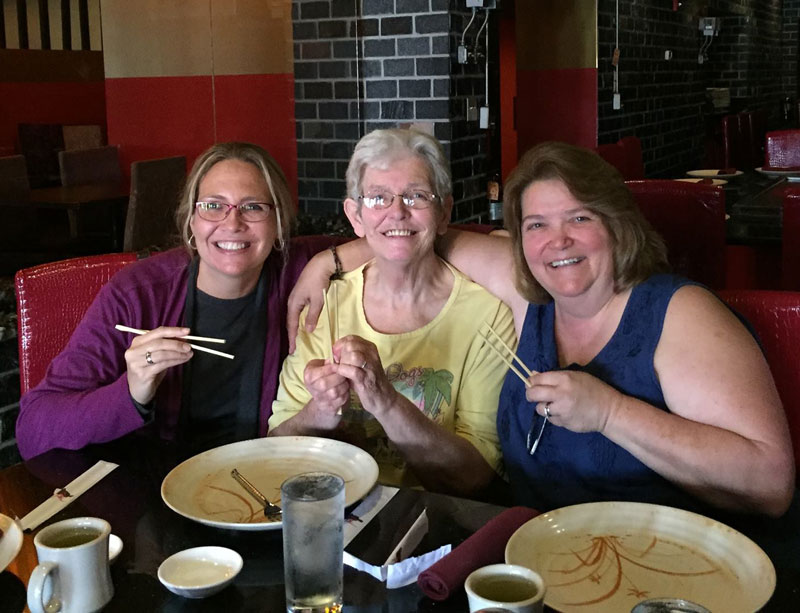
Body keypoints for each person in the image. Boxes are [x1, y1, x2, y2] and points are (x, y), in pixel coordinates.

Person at [290, 141, 795, 518]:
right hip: (539, 555)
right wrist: (329, 259)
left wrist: (611, 412)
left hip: (671, 562)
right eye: (535, 225)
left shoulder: (677, 312)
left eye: (579, 217)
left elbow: (771, 485)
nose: (557, 241)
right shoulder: (531, 297)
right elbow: (417, 236)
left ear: (617, 224)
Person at [16, 142, 337, 459]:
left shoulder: (296, 267)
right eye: (213, 205)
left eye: (253, 206)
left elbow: (381, 241)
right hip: (156, 489)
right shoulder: (138, 294)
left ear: (278, 224)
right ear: (190, 221)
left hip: (260, 479)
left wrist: (329, 260)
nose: (232, 223)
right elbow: (33, 428)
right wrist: (131, 392)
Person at [269, 128, 515, 498]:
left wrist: (386, 401)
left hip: (435, 525)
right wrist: (318, 413)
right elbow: (273, 446)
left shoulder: (487, 314)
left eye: (416, 196)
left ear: (444, 212)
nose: (396, 212)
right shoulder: (326, 302)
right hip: (336, 518)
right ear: (355, 217)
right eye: (378, 198)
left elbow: (476, 477)